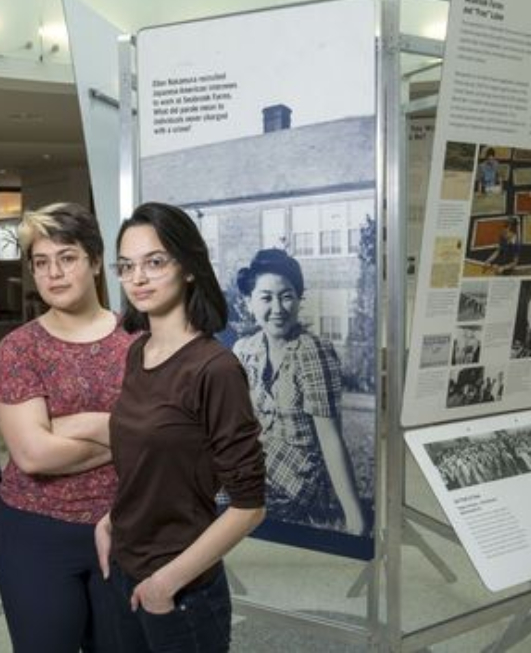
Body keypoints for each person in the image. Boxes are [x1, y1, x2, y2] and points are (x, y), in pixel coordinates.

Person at [96, 202, 266, 653]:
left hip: (179, 587)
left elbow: (249, 506)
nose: (138, 278)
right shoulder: (139, 352)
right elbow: (155, 462)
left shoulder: (215, 368)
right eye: (127, 266)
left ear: (189, 267)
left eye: (155, 262)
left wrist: (164, 584)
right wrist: (110, 522)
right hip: (125, 565)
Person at [0, 202, 139, 653]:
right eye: (40, 262)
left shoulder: (140, 339)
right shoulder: (18, 349)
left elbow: (173, 436)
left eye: (67, 257)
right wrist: (127, 433)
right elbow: (33, 455)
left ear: (95, 261)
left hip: (127, 524)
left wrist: (72, 426)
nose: (53, 273)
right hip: (37, 533)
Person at [232, 249, 366, 534]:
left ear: (298, 298)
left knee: (221, 500)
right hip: (256, 464)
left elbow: (330, 437)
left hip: (300, 479)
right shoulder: (245, 350)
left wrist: (354, 518)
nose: (278, 308)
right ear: (249, 303)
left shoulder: (312, 352)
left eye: (287, 296)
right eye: (266, 297)